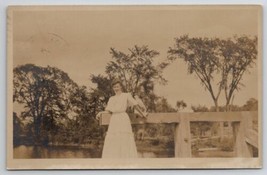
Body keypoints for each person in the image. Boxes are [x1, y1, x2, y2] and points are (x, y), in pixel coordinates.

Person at [96, 79, 147, 158]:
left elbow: (135, 105)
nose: (116, 88)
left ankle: (125, 157)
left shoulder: (126, 95)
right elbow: (109, 111)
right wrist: (101, 113)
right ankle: (115, 157)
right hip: (114, 119)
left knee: (124, 136)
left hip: (123, 118)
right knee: (114, 137)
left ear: (121, 87)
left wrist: (142, 113)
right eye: (114, 87)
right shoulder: (111, 98)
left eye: (117, 86)